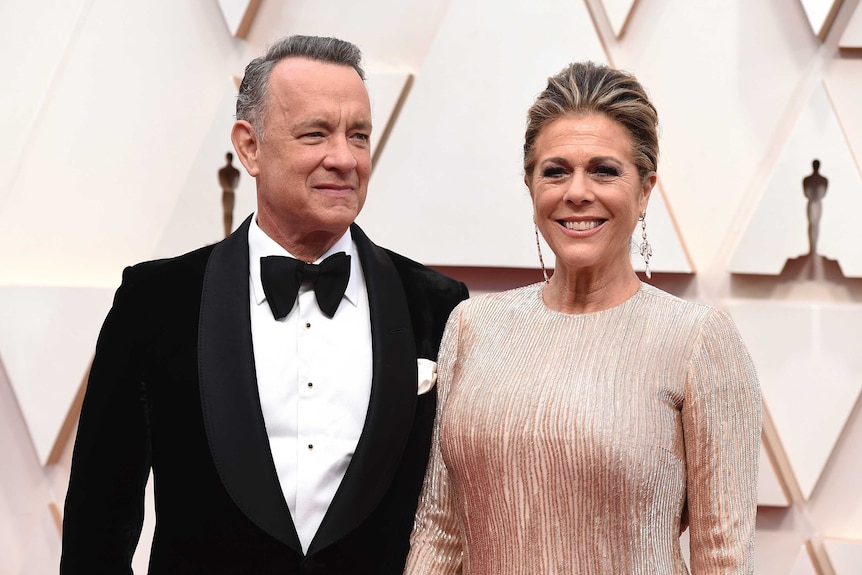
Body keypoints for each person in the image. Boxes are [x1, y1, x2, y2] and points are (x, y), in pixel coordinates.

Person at [60, 35, 468, 575]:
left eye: (359, 136)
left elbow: (459, 519)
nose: (344, 158)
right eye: (315, 134)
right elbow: (99, 525)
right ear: (250, 148)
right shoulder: (154, 302)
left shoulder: (439, 306)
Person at [404, 61, 762, 574]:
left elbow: (723, 556)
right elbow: (440, 531)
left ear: (644, 191)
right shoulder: (471, 327)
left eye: (604, 170)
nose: (577, 191)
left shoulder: (696, 340)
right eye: (555, 171)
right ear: (531, 188)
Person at [802, 158, 828, 256]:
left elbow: (824, 193)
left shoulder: (823, 180)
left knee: (816, 224)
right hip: (812, 203)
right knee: (812, 224)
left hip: (816, 203)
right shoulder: (807, 179)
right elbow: (805, 193)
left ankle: (814, 249)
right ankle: (811, 249)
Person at [219, 151, 241, 238]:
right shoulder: (223, 171)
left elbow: (233, 185)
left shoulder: (235, 172)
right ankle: (226, 235)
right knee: (226, 213)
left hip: (230, 194)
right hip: (227, 194)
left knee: (229, 213)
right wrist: (229, 187)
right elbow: (225, 184)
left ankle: (227, 235)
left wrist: (228, 187)